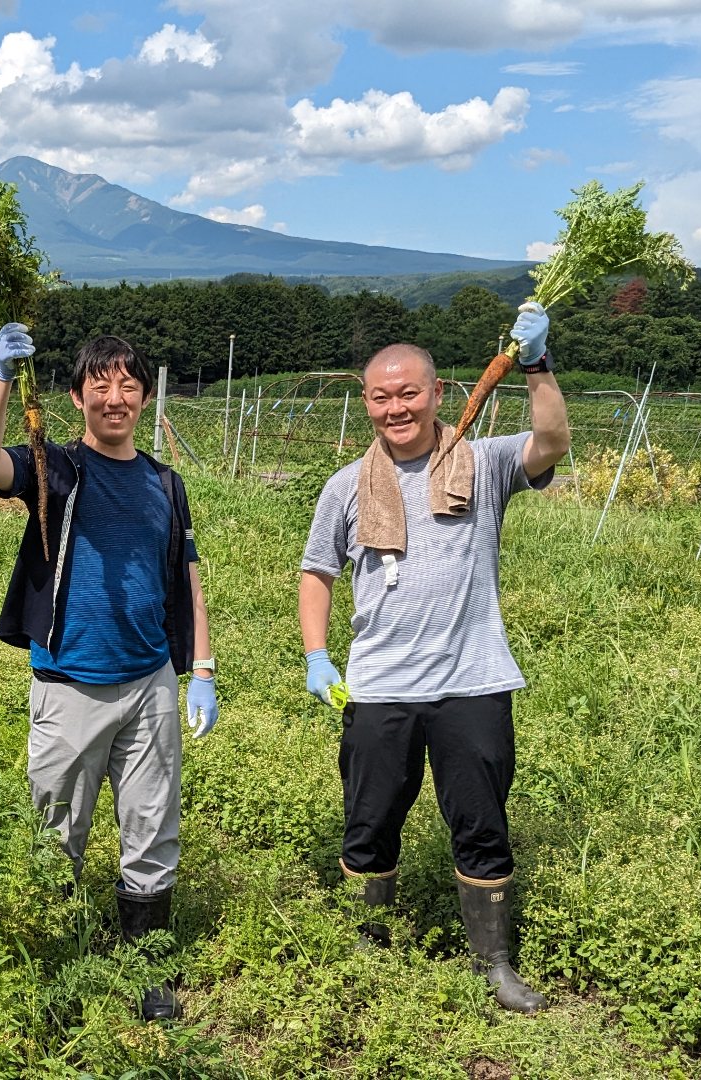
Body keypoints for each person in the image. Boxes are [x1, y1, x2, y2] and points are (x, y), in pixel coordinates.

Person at [296, 304, 568, 1014]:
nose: (396, 407)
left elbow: (553, 439)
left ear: (438, 391)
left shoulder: (484, 461)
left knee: (481, 824)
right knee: (370, 818)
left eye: (409, 392)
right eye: (381, 397)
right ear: (366, 404)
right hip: (380, 686)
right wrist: (318, 655)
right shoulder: (346, 486)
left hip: (472, 680)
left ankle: (494, 965)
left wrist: (536, 364)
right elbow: (316, 571)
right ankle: (368, 941)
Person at [0, 323, 218, 1022]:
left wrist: (200, 665)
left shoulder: (166, 483)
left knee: (152, 828)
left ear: (143, 396)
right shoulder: (57, 469)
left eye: (128, 385)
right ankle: (60, 969)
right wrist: (2, 378)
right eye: (100, 384)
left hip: (149, 685)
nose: (116, 397)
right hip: (69, 686)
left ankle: (147, 970)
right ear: (77, 397)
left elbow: (185, 573)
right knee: (57, 834)